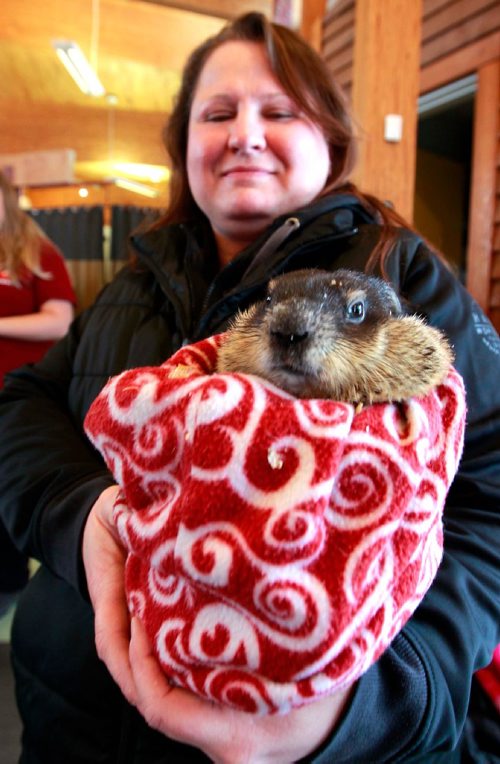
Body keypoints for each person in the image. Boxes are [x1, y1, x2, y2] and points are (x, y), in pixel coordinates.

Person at [0, 11, 498, 763]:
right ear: (184, 146)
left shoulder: (407, 273)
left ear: (329, 138)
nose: (245, 134)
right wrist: (84, 514)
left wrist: (373, 706)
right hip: (80, 719)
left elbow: (488, 494)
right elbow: (20, 407)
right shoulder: (131, 283)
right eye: (218, 113)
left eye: (279, 111)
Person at [0, 170, 75, 615]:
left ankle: (11, 584)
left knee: (9, 490)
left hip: (17, 396)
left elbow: (58, 319)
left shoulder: (36, 253)